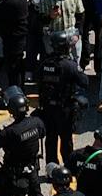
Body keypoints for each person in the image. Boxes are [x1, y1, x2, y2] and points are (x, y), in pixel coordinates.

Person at [38, 26, 89, 162]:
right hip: (64, 108)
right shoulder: (69, 65)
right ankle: (68, 167)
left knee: (51, 139)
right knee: (66, 140)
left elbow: (40, 82)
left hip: (48, 107)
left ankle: (51, 168)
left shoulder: (44, 63)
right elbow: (84, 81)